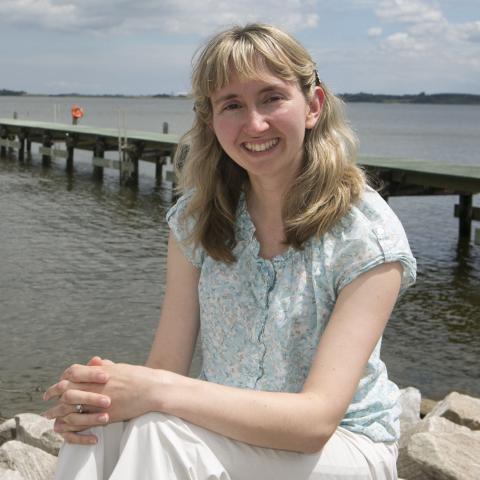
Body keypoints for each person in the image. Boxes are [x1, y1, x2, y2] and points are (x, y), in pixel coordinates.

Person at [43, 23, 416, 479]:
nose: (254, 123)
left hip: (344, 445)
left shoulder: (365, 234)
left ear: (313, 106)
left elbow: (316, 421)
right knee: (100, 427)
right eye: (232, 105)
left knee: (161, 431)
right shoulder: (196, 220)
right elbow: (167, 368)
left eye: (272, 98)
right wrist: (100, 395)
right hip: (226, 428)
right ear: (210, 120)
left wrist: (153, 390)